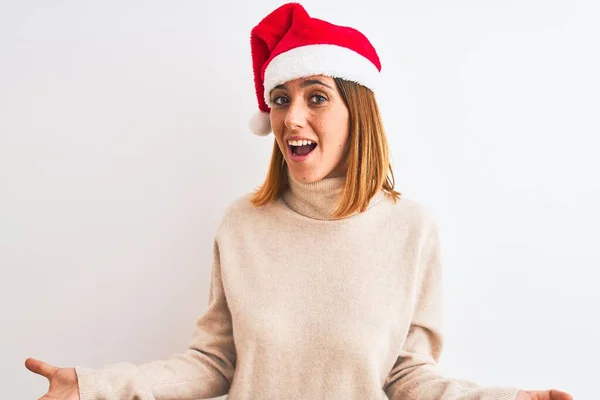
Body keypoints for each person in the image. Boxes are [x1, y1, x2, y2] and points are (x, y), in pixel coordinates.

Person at [25, 3, 573, 400]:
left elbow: (408, 376)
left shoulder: (411, 229)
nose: (291, 118)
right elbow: (214, 362)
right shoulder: (243, 224)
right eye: (281, 99)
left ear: (357, 112)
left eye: (317, 97)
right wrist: (93, 389)